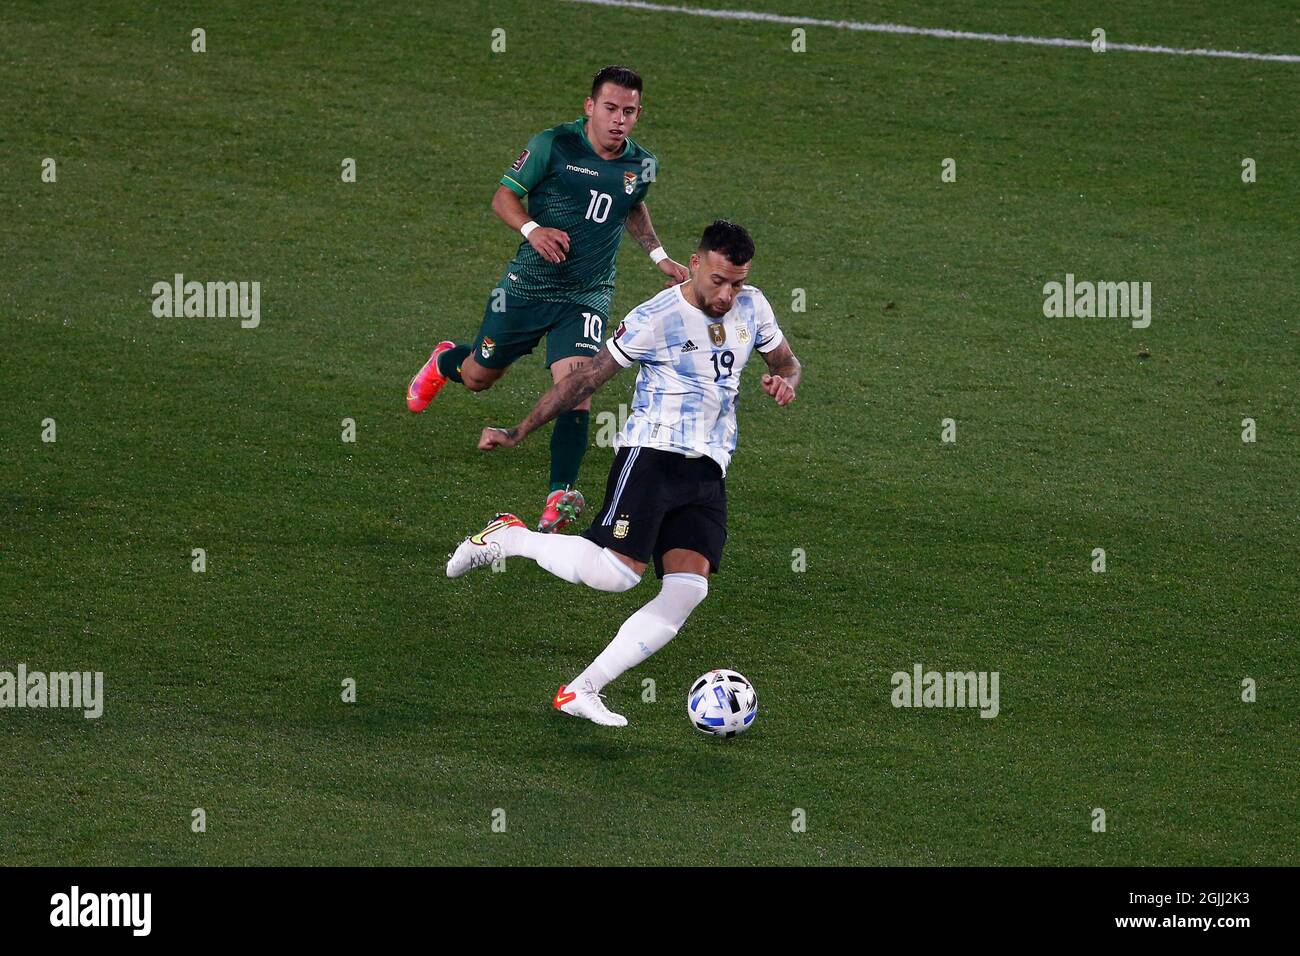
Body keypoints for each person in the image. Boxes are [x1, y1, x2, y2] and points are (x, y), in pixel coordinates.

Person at [446, 220, 802, 726]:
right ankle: (511, 538)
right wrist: (519, 429)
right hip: (654, 455)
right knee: (615, 575)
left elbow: (788, 362)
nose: (727, 295)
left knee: (688, 589)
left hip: (710, 467)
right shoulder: (655, 317)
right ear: (696, 262)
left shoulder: (754, 306)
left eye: (737, 283)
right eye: (719, 281)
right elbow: (584, 379)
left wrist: (785, 382)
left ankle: (582, 690)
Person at [406, 65, 688, 532]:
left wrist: (659, 255)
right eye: (611, 108)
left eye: (629, 112)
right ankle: (444, 361)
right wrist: (533, 230)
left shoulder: (642, 164)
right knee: (479, 377)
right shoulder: (552, 145)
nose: (619, 119)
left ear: (639, 114)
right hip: (526, 289)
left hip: (586, 294)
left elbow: (631, 204)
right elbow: (503, 198)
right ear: (590, 107)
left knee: (578, 386)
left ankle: (560, 493)